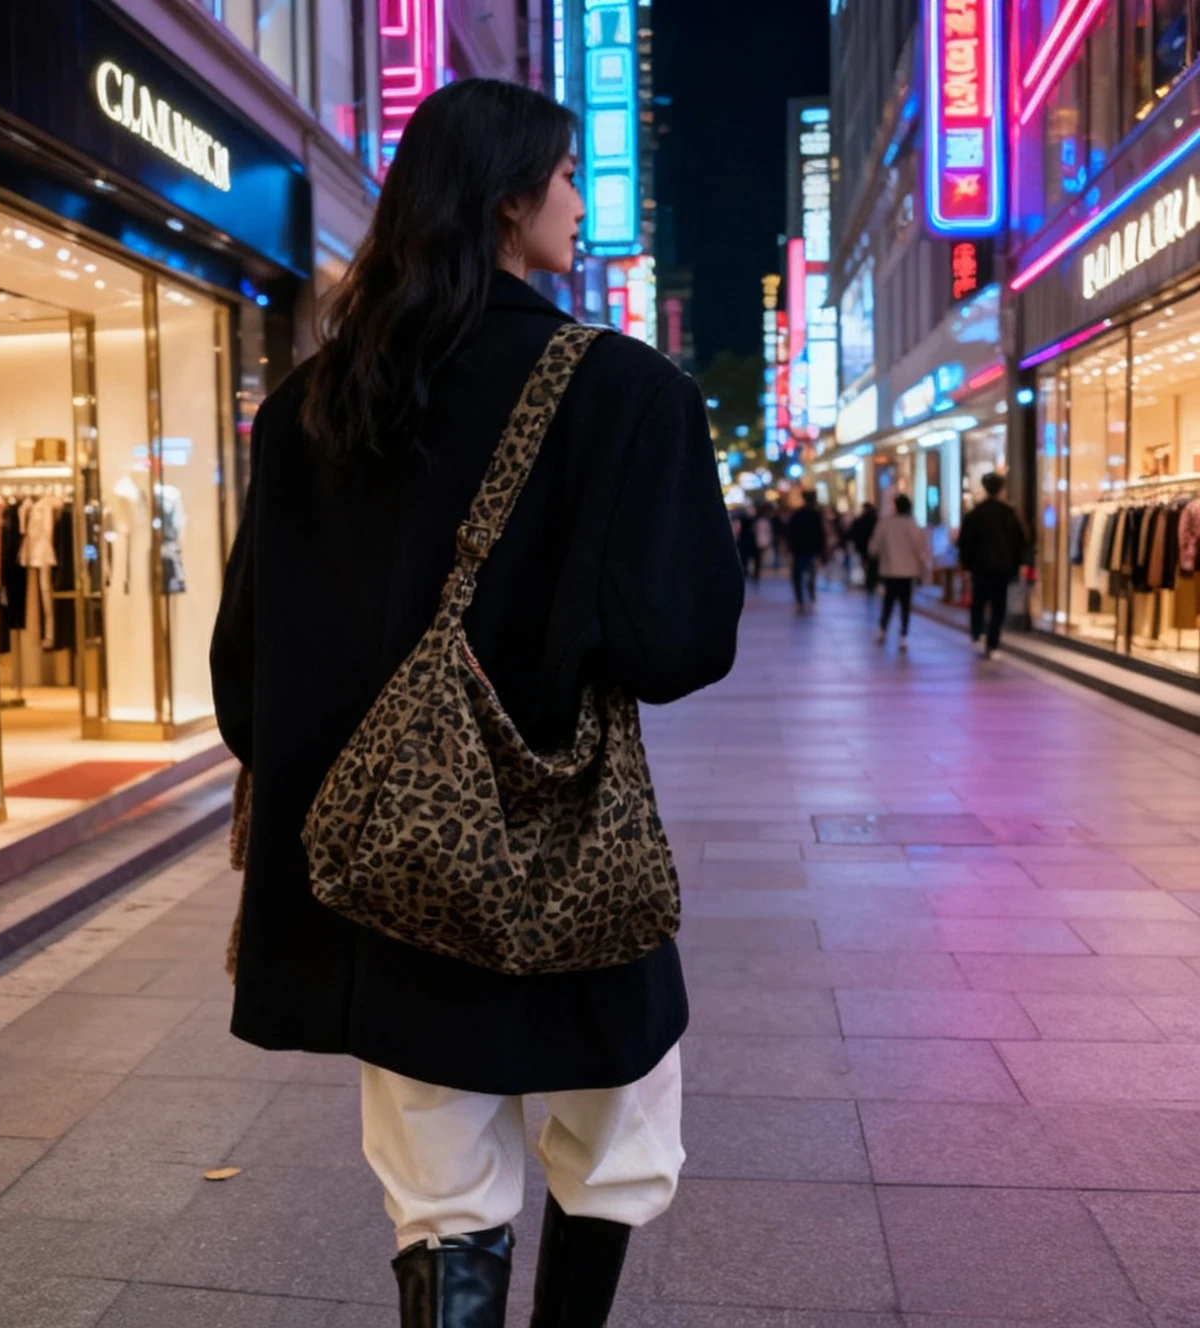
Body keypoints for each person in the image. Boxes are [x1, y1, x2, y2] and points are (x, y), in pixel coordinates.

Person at [209, 79, 744, 1328]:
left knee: (439, 1190)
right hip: (564, 863)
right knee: (614, 1142)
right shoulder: (622, 391)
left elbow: (247, 679)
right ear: (509, 198)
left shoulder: (308, 408)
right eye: (564, 175)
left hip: (379, 870)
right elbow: (678, 645)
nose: (577, 199)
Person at [959, 472, 1027, 658]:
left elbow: (965, 542)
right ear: (1001, 489)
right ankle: (993, 644)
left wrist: (966, 564)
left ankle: (977, 632)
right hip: (1002, 568)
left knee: (979, 601)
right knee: (998, 606)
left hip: (980, 567)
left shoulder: (975, 513)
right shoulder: (1008, 513)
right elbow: (1019, 542)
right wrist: (1016, 564)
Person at [869, 492, 931, 652]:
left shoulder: (886, 523)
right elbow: (921, 548)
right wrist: (923, 567)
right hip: (908, 571)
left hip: (890, 570)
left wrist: (877, 555)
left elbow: (874, 546)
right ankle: (903, 635)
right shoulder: (912, 524)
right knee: (905, 604)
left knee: (888, 601)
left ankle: (883, 629)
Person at [786, 489, 827, 613]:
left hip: (799, 550)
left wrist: (791, 547)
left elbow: (791, 532)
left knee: (798, 576)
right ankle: (811, 597)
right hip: (810, 550)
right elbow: (820, 534)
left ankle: (800, 600)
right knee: (811, 575)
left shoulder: (798, 514)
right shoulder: (816, 515)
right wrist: (821, 550)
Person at [849, 501, 879, 593]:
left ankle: (869, 582)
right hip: (871, 546)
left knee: (866, 564)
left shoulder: (860, 520)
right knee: (872, 565)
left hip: (863, 546)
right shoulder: (875, 520)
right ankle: (871, 582)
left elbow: (852, 533)